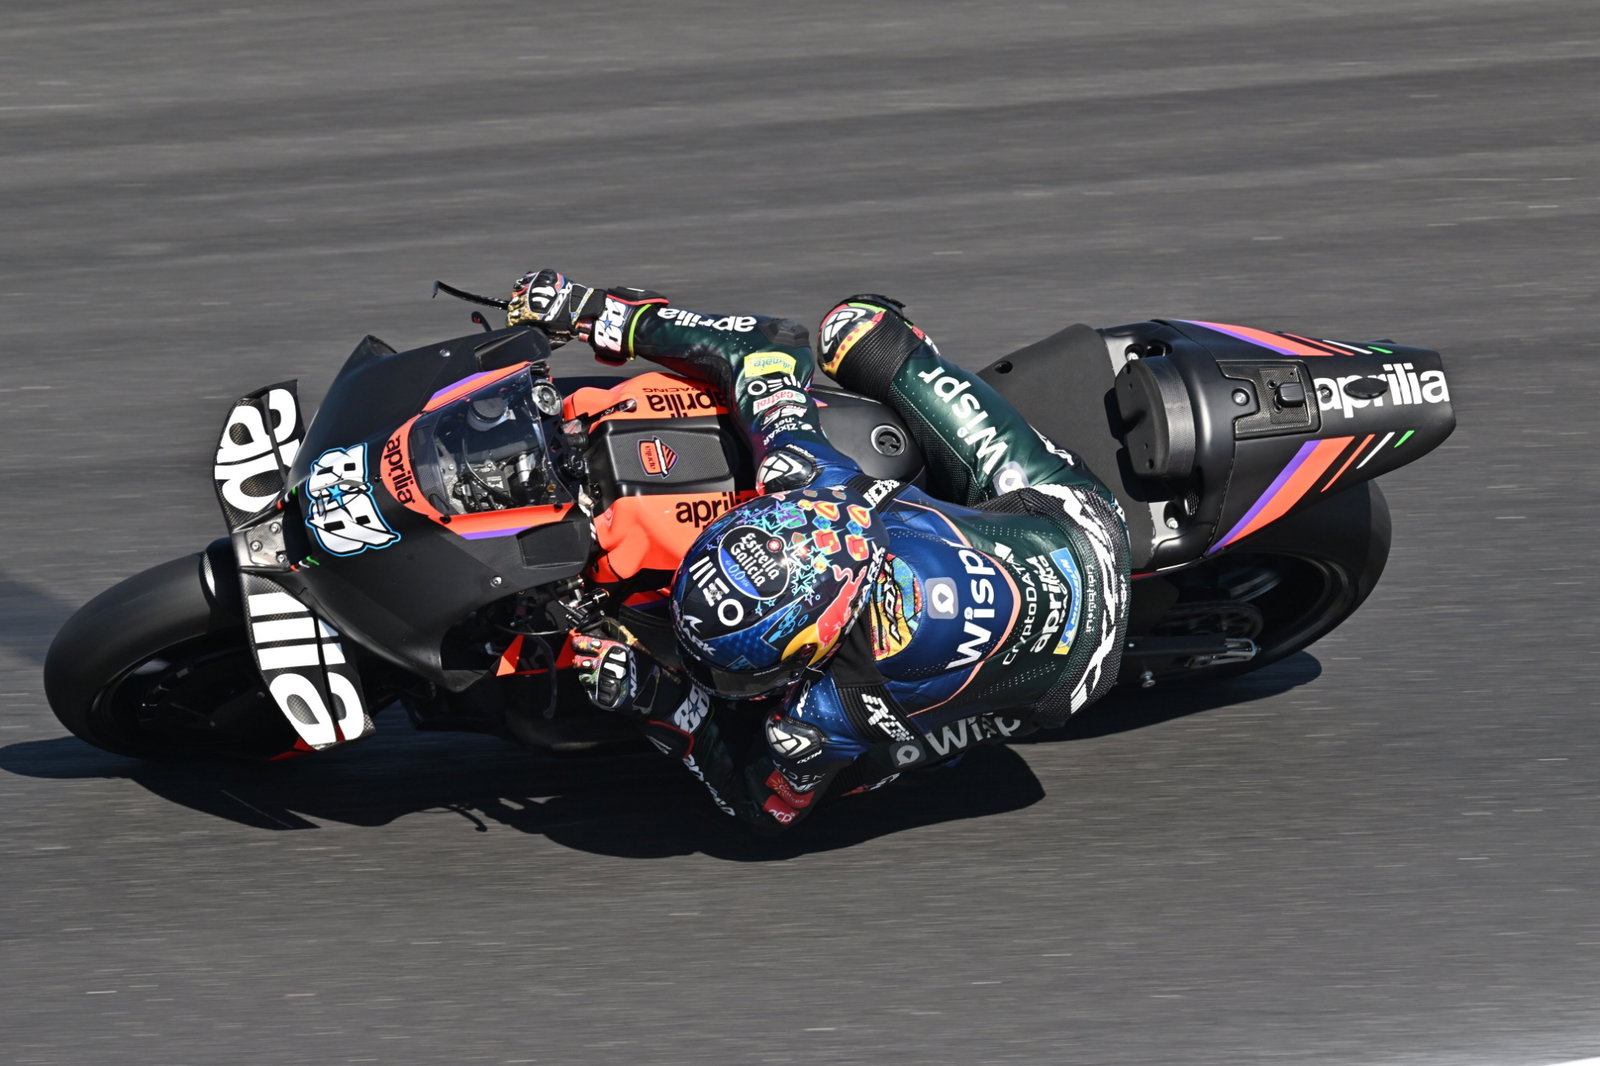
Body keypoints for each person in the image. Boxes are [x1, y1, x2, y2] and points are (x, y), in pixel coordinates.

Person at [506, 270, 1130, 831]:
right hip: (1042, 545)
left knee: (864, 763)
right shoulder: (814, 485)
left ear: (816, 650)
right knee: (857, 330)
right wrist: (598, 312)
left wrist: (659, 698)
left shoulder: (826, 711)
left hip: (1082, 564)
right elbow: (768, 344)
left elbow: (763, 805)